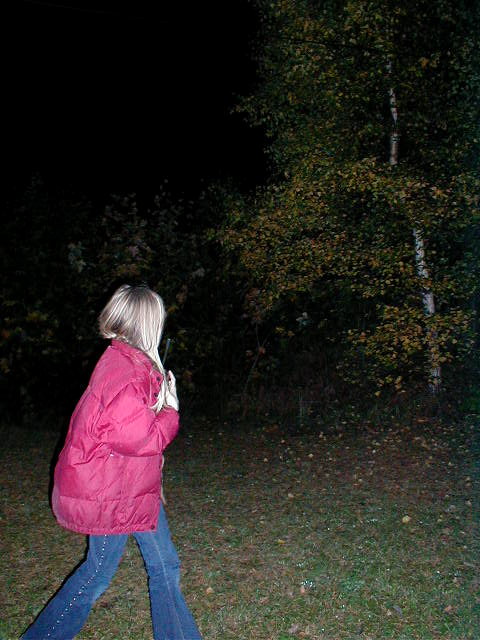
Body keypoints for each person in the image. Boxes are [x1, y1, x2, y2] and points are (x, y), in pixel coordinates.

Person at [22, 284, 202, 640]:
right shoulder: (126, 374)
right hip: (111, 492)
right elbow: (143, 439)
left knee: (164, 566)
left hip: (130, 486)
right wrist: (171, 410)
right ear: (146, 323)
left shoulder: (127, 361)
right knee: (97, 572)